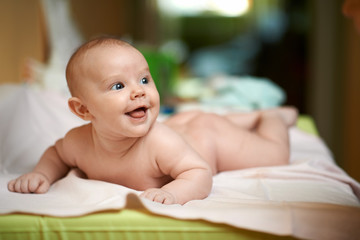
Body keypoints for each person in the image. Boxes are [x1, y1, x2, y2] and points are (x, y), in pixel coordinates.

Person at [7, 37, 298, 205]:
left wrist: (172, 192)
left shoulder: (159, 143)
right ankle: (245, 116)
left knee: (276, 154)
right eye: (118, 86)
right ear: (83, 111)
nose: (139, 90)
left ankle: (271, 117)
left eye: (144, 79)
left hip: (208, 137)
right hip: (184, 126)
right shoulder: (77, 143)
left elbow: (199, 172)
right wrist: (43, 174)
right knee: (194, 118)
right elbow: (56, 154)